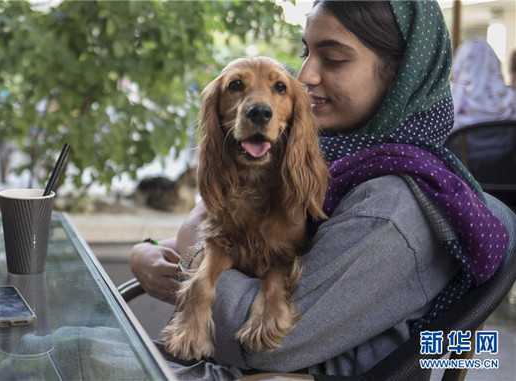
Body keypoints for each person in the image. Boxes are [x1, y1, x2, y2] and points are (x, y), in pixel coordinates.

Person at [130, 1, 514, 379]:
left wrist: (190, 247)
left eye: (333, 59)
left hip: (262, 373)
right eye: (306, 52)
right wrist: (153, 251)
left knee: (75, 346)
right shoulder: (340, 162)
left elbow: (273, 347)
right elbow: (252, 239)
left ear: (400, 75)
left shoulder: (390, 209)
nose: (305, 75)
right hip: (224, 362)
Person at [450, 39, 516, 133]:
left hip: (462, 147)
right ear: (494, 64)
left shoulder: (451, 104)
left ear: (459, 63)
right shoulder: (511, 102)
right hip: (502, 147)